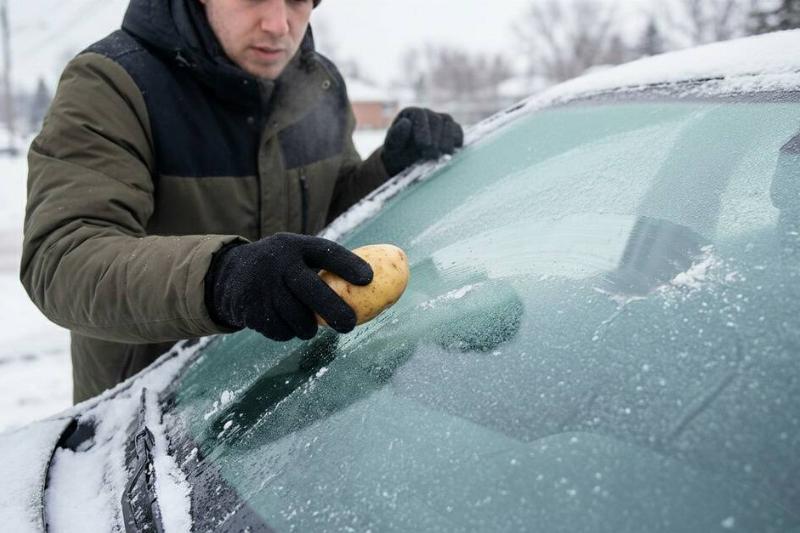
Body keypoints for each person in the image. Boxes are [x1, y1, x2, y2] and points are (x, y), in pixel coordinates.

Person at [20, 0, 464, 403]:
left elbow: (332, 217)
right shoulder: (113, 84)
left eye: (296, 1)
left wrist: (388, 168)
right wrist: (221, 278)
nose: (277, 24)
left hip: (289, 399)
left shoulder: (319, 85)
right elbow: (62, 259)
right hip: (152, 429)